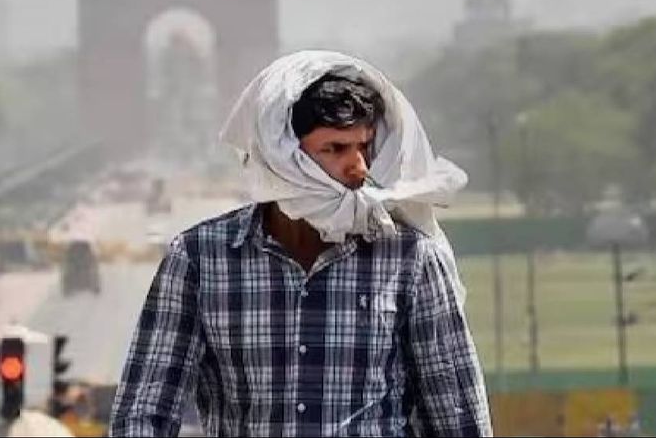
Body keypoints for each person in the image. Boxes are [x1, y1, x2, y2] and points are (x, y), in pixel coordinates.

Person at [109, 51, 492, 437]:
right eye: (335, 149)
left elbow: (456, 416)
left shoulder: (409, 259)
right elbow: (144, 411)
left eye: (365, 148)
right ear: (284, 156)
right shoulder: (200, 260)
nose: (358, 168)